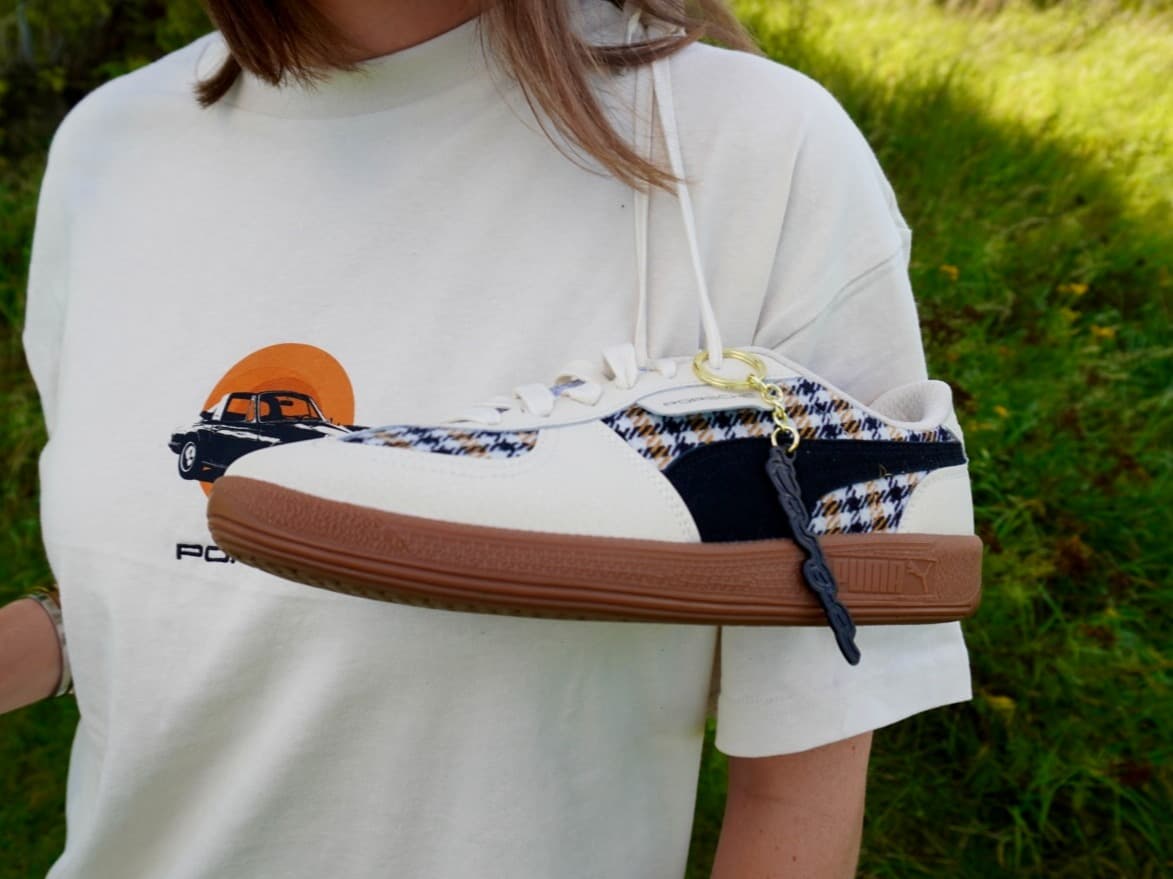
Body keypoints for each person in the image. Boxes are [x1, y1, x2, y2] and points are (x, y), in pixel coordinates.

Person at [5, 0, 974, 876]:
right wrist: (53, 631)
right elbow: (171, 587)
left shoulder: (755, 151)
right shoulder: (112, 144)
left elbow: (801, 775)